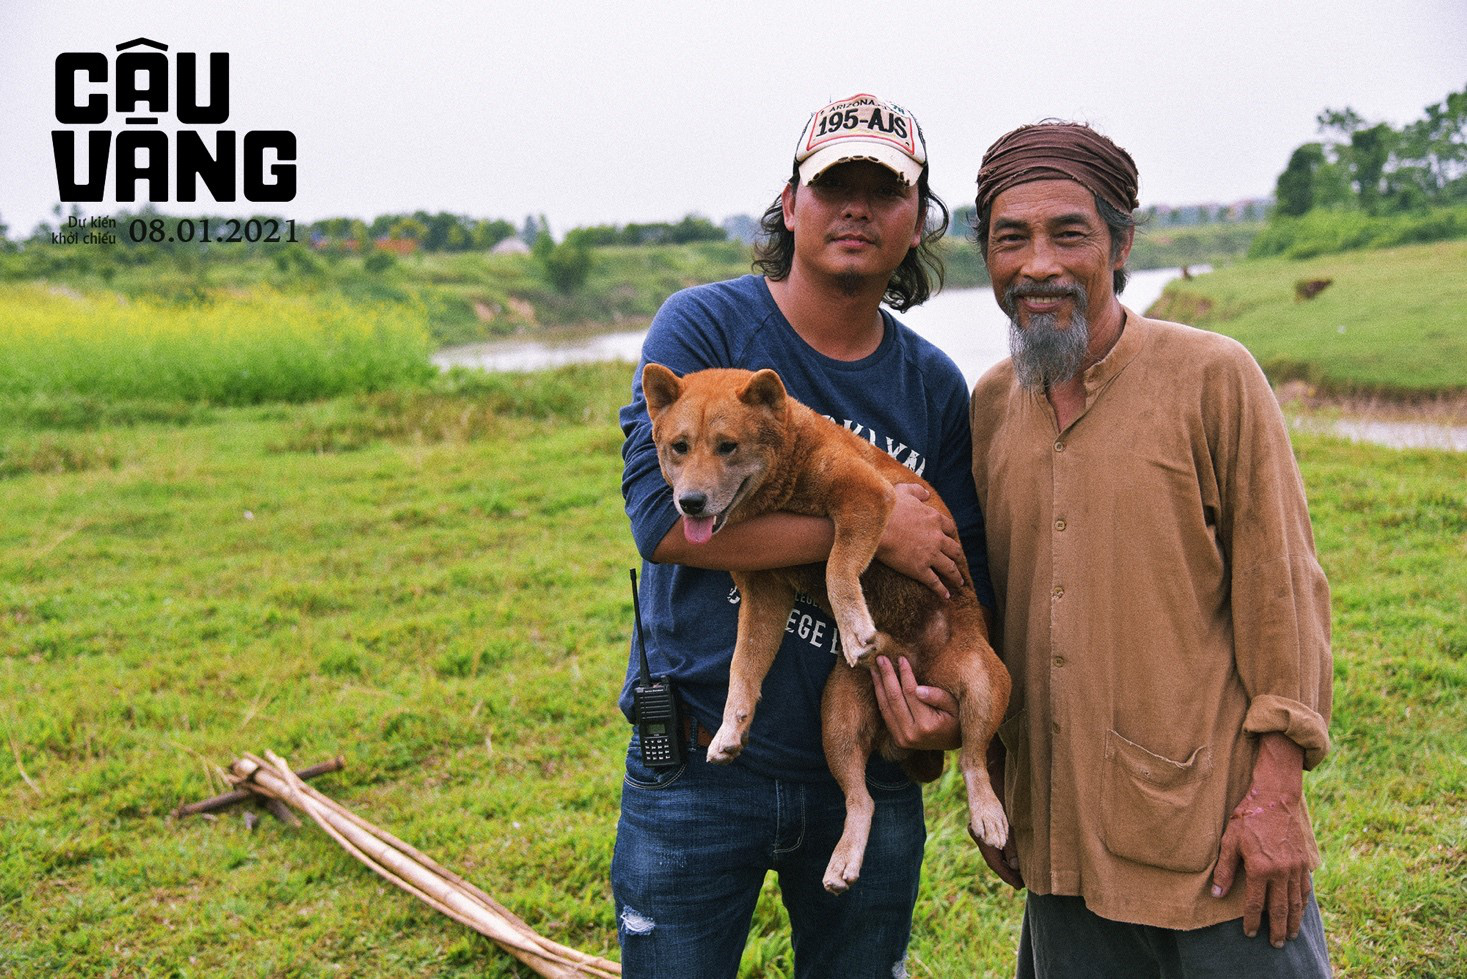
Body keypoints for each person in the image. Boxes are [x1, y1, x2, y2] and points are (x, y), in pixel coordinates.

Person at [613, 93, 997, 979]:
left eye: (883, 191)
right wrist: (867, 531)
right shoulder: (705, 328)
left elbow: (958, 573)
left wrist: (939, 719)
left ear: (917, 221)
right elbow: (660, 523)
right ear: (790, 207)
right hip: (699, 767)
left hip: (868, 769)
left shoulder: (933, 385)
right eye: (832, 186)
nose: (855, 208)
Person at [960, 120, 1335, 977]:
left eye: (1069, 233)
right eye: (1009, 238)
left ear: (1121, 242)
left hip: (1214, 836)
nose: (1037, 265)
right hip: (1058, 840)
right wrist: (997, 779)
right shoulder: (988, 406)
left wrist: (1276, 794)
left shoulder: (1212, 376)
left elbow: (1283, 590)